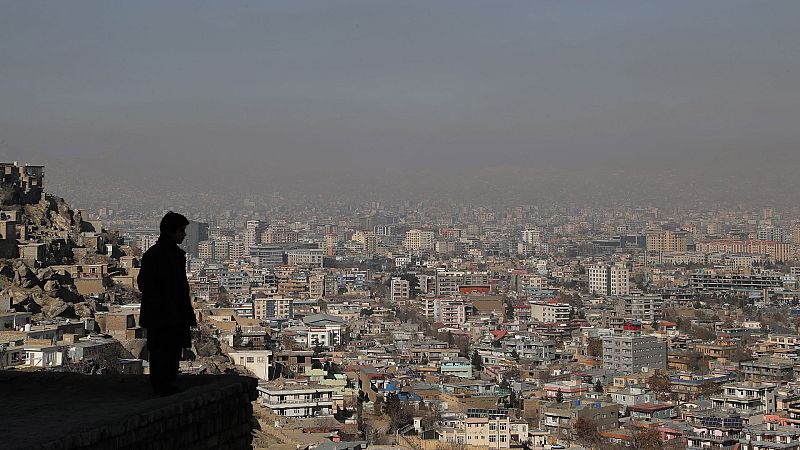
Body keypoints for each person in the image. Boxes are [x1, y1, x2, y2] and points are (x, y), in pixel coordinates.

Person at [137, 211, 197, 396]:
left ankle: (164, 385)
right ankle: (163, 386)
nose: (184, 235)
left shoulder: (157, 254)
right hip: (165, 314)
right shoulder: (163, 256)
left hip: (164, 313)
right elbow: (146, 284)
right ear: (171, 232)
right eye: (181, 231)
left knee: (167, 351)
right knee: (165, 351)